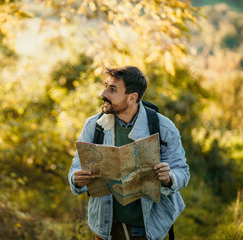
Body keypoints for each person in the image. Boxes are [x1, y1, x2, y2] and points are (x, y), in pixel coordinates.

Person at [68, 66, 190, 240]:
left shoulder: (163, 127)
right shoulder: (93, 126)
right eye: (105, 87)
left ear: (132, 97)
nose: (104, 93)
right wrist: (76, 180)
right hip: (105, 228)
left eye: (112, 90)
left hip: (146, 230)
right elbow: (75, 169)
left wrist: (169, 177)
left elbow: (183, 172)